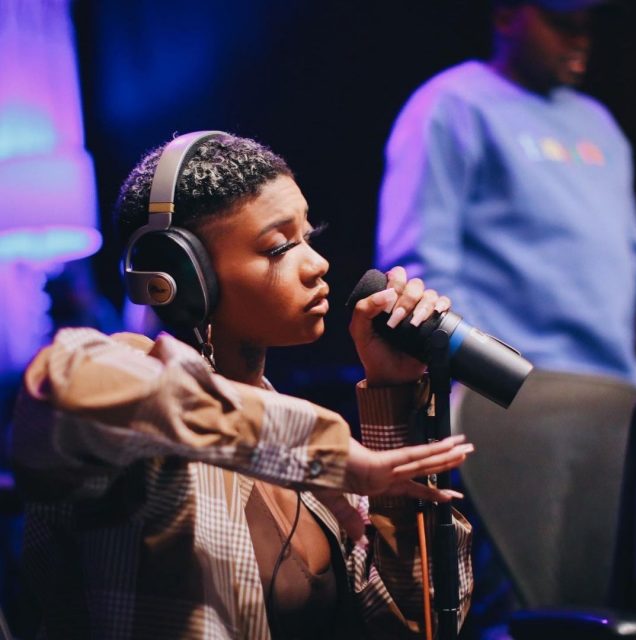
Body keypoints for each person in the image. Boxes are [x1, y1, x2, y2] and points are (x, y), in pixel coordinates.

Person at [12, 131, 474, 639]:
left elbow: (413, 622)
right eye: (278, 246)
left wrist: (391, 389)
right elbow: (65, 382)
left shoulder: (305, 454)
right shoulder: (133, 406)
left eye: (308, 236)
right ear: (181, 276)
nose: (317, 263)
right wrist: (322, 451)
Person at [376, 0, 636, 611]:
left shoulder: (598, 124)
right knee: (534, 610)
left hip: (616, 402)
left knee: (609, 605)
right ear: (506, 16)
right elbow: (417, 267)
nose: (579, 39)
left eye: (586, 25)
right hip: (519, 405)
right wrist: (484, 381)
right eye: (561, 23)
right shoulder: (451, 106)